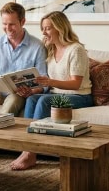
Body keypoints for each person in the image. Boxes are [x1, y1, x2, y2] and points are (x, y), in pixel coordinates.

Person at [11, 10, 94, 171]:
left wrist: (49, 81)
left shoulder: (76, 50)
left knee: (44, 100)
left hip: (79, 96)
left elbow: (75, 84)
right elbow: (49, 85)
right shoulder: (50, 49)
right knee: (33, 99)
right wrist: (33, 90)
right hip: (56, 94)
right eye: (43, 28)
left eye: (48, 28)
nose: (43, 32)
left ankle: (30, 153)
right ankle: (26, 146)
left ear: (60, 28)